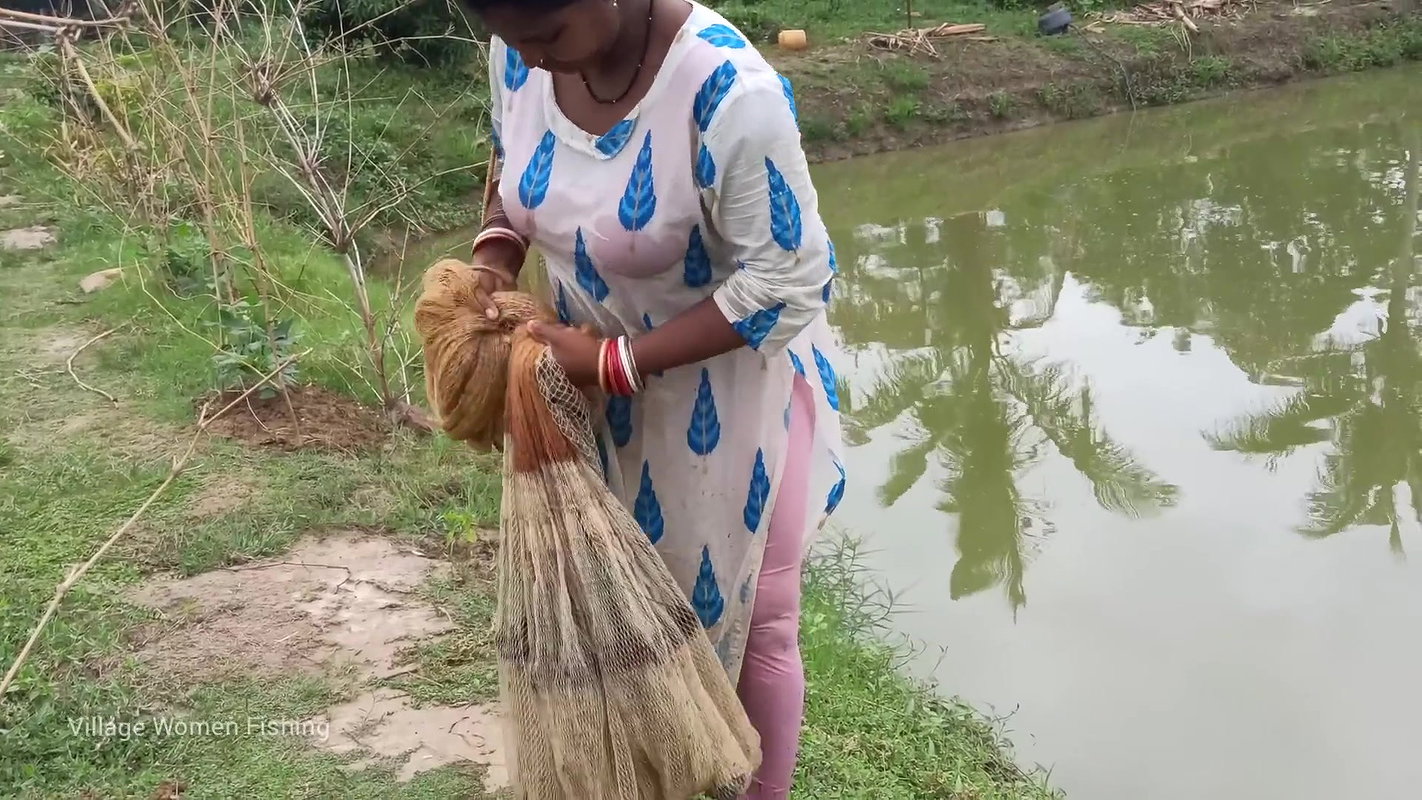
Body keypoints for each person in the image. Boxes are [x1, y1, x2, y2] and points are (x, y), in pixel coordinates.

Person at [454, 0, 847, 795]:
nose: (530, 60)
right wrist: (496, 254)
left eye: (546, 35)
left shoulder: (729, 93)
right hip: (584, 399)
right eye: (510, 40)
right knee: (617, 621)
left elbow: (789, 278)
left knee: (760, 622)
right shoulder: (522, 59)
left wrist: (619, 361)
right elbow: (509, 162)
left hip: (731, 401)